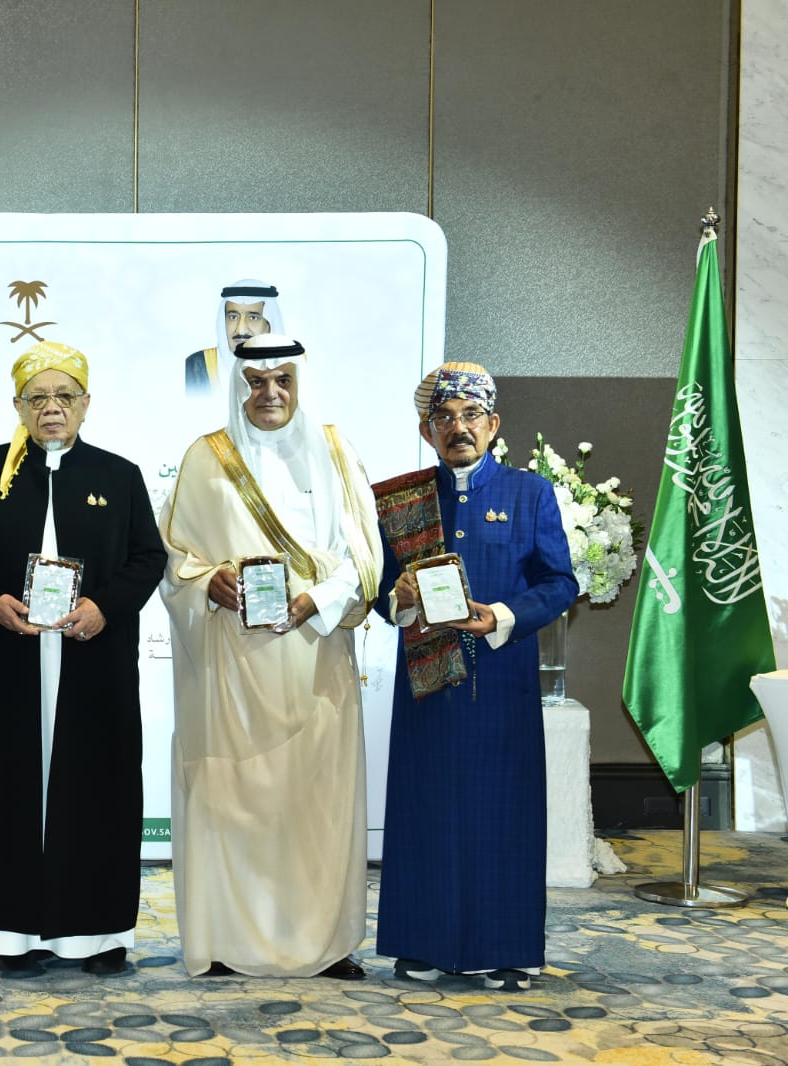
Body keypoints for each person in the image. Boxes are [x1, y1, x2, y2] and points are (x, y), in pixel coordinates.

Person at [0, 340, 166, 976]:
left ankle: (96, 934)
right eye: (37, 397)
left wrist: (105, 607)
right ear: (18, 406)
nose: (52, 408)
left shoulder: (118, 475)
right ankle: (12, 932)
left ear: (86, 403)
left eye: (65, 396)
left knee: (99, 786)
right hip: (8, 656)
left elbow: (148, 557)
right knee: (5, 785)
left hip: (94, 658)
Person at [158, 334, 382, 979]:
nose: (270, 394)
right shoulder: (205, 458)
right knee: (233, 801)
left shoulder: (336, 452)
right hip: (232, 665)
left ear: (300, 384)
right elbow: (176, 557)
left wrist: (317, 600)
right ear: (238, 387)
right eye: (256, 382)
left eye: (283, 380)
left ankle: (323, 943)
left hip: (315, 658)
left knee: (316, 805)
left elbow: (365, 555)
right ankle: (229, 941)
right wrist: (209, 582)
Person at [373, 361, 576, 992]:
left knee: (503, 815)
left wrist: (503, 616)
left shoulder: (528, 493)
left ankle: (506, 950)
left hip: (500, 682)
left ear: (493, 424)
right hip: (427, 684)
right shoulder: (401, 500)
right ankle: (422, 944)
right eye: (443, 417)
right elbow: (379, 590)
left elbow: (559, 583)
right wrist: (399, 596)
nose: (457, 427)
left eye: (470, 415)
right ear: (426, 430)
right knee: (426, 811)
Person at [185, 280, 286, 396]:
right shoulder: (198, 366)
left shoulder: (294, 366)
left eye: (253, 318)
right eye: (233, 317)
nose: (241, 330)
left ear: (270, 325)